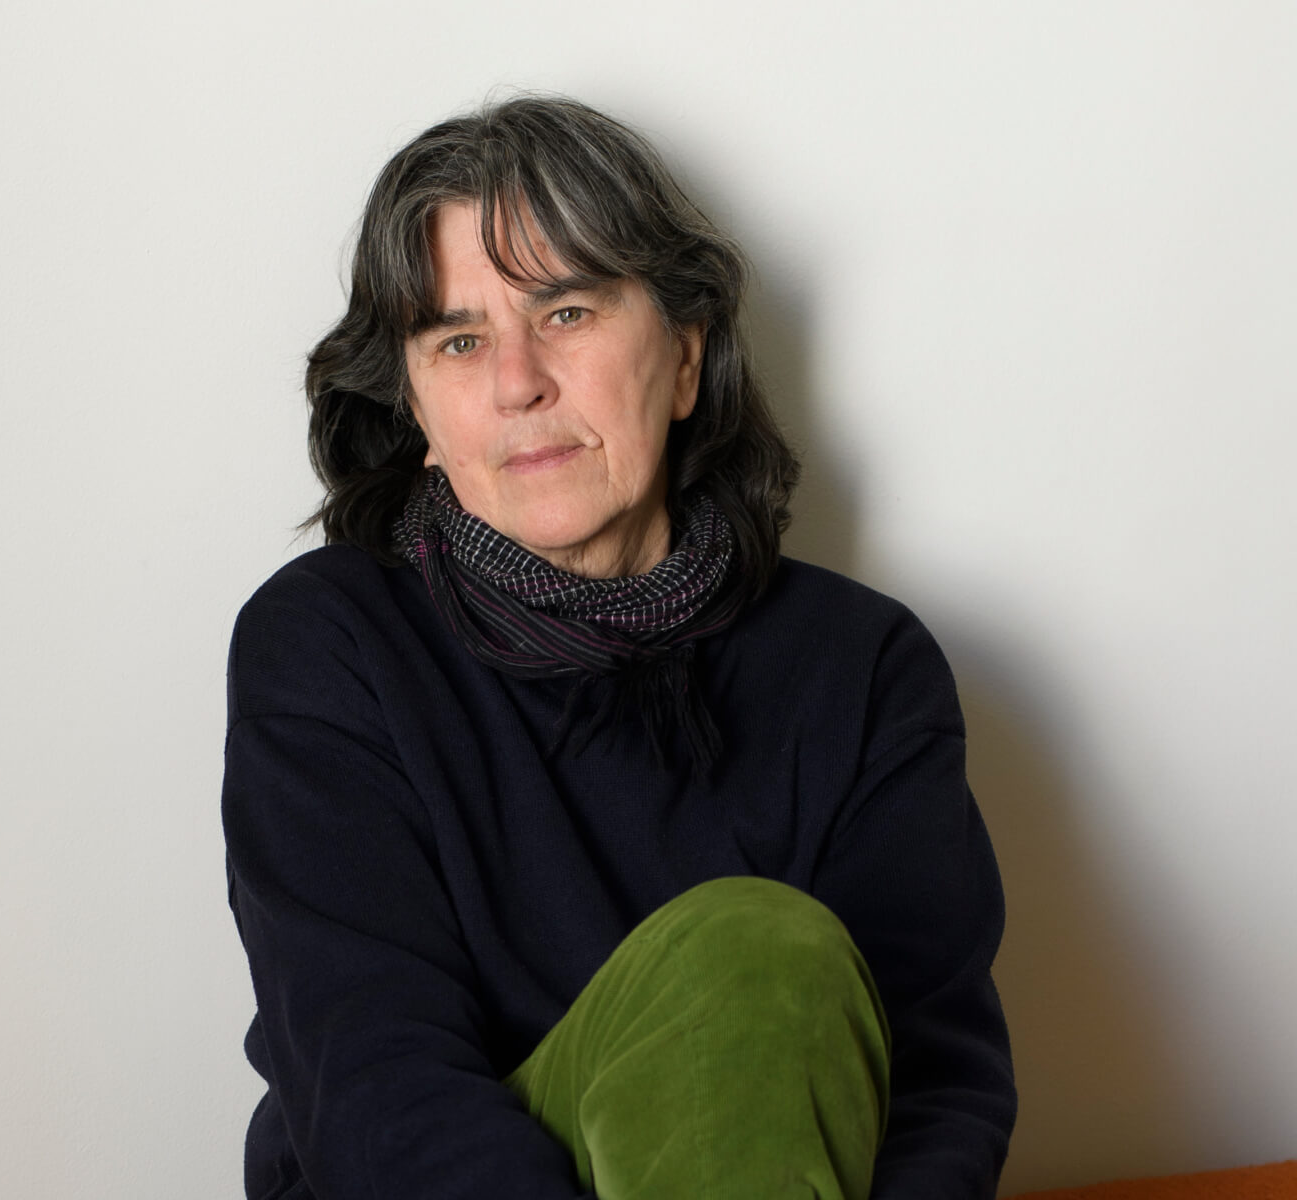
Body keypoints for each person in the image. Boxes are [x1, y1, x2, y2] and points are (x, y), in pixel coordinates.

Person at [222, 94, 1016, 1199]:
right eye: (460, 340)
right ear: (418, 414)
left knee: (756, 960)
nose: (517, 382)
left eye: (566, 312)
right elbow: (371, 1078)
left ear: (686, 356)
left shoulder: (863, 666)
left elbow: (931, 1086)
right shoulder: (329, 645)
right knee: (751, 949)